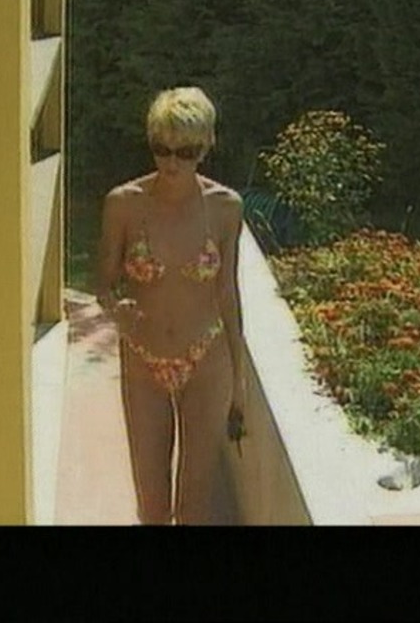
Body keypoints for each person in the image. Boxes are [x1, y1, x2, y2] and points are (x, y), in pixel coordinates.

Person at [96, 86, 248, 525]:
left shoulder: (225, 208)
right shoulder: (123, 204)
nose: (172, 163)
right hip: (144, 360)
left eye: (186, 152)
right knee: (152, 504)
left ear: (206, 147)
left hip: (206, 359)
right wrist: (115, 307)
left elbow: (228, 292)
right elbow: (104, 282)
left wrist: (239, 380)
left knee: (195, 502)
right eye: (161, 149)